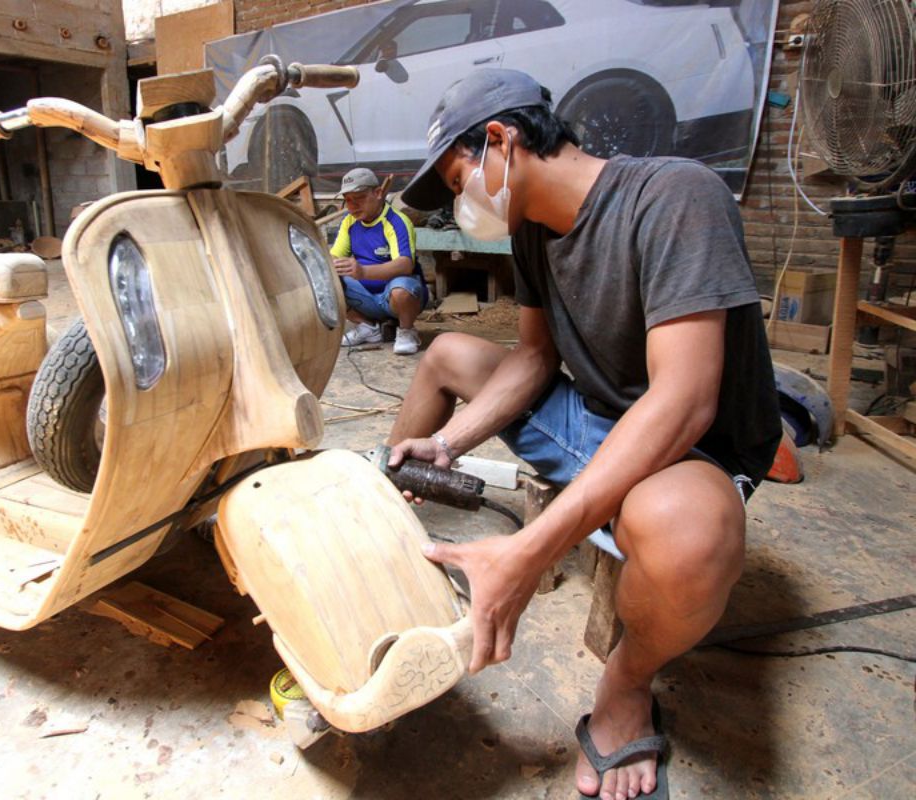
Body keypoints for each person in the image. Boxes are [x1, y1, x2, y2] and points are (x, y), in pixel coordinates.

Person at [389, 69, 781, 800]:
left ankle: (626, 683)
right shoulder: (532, 229)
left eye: (457, 177)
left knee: (684, 533)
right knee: (444, 355)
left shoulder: (673, 195)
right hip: (595, 415)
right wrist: (451, 443)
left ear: (501, 142)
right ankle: (387, 527)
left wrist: (530, 551)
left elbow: (684, 402)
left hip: (689, 448)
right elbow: (535, 359)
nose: (457, 204)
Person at [330, 167, 426, 355]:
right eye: (348, 200)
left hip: (396, 298)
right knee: (327, 281)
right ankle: (367, 327)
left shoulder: (396, 221)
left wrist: (363, 272)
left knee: (402, 289)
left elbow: (405, 264)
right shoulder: (348, 221)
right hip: (366, 295)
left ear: (378, 193)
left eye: (359, 199)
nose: (352, 206)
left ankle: (406, 331)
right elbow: (335, 256)